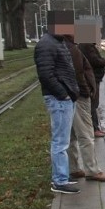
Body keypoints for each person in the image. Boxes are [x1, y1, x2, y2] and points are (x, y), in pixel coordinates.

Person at [35, 27, 80, 194]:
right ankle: (60, 181)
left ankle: (62, 177)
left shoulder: (58, 42)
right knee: (60, 142)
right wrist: (63, 94)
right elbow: (45, 74)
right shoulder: (46, 44)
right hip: (60, 99)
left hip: (65, 97)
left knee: (63, 140)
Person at [63, 34, 105, 183]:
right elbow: (79, 73)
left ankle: (73, 168)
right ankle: (92, 170)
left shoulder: (65, 47)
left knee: (70, 135)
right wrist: (86, 91)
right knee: (85, 135)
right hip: (78, 97)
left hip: (68, 96)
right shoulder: (73, 49)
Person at [79, 41, 105, 136]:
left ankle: (94, 128)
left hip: (93, 79)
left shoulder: (86, 45)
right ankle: (94, 129)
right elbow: (95, 61)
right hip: (92, 79)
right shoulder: (87, 45)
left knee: (93, 104)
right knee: (93, 104)